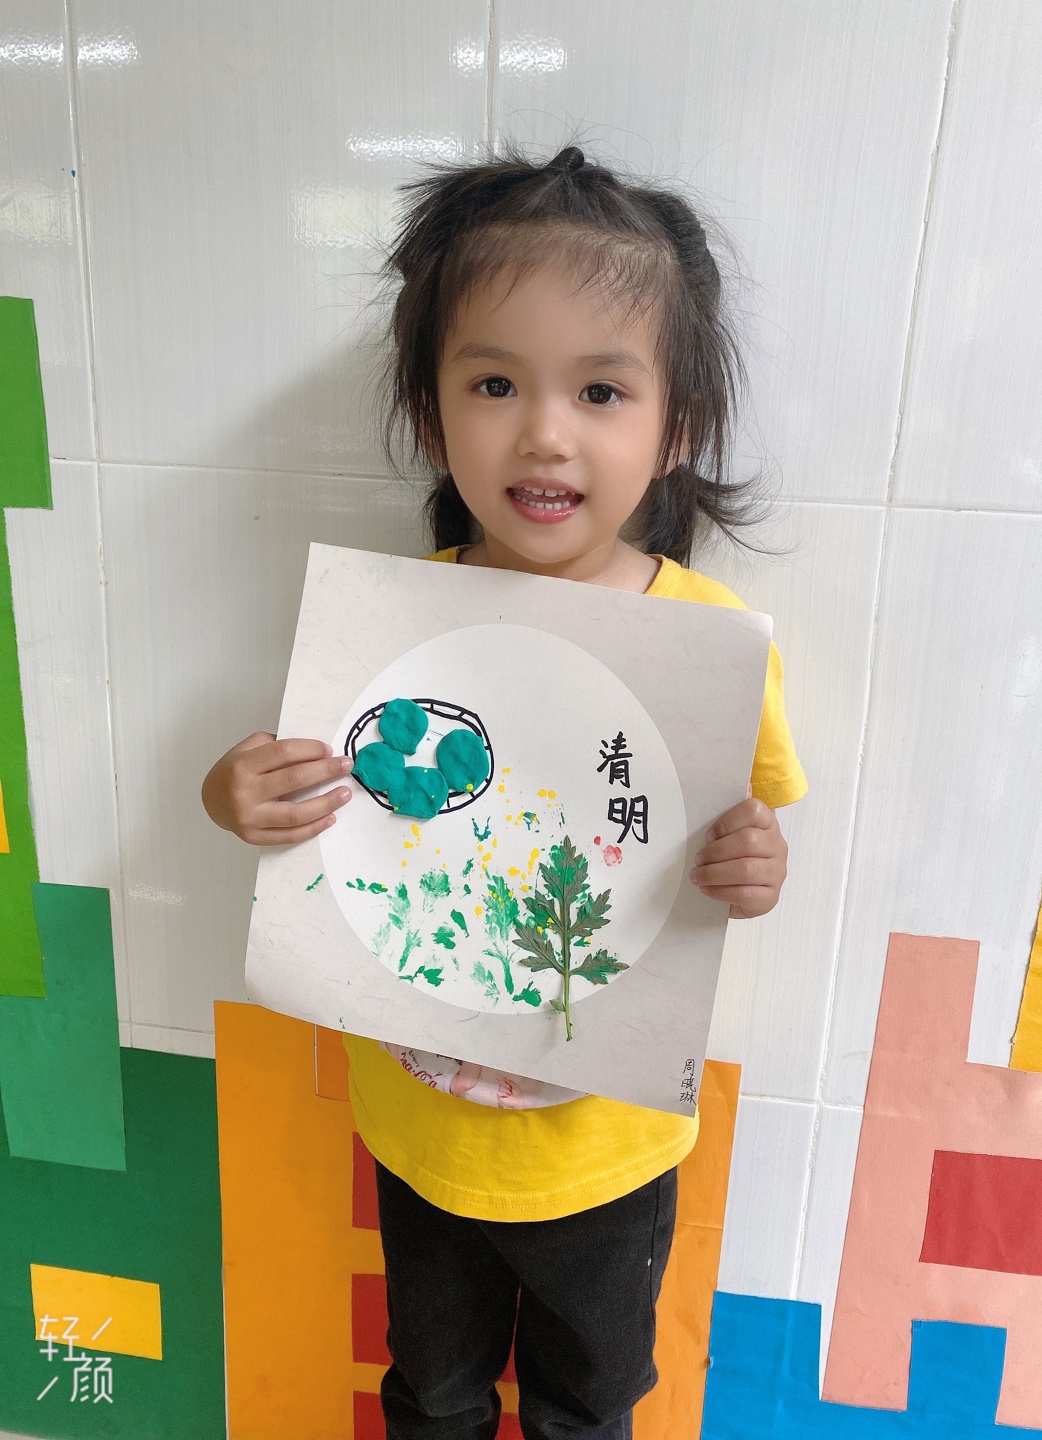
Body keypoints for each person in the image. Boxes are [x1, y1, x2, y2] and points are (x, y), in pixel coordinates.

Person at [202, 146, 807, 1440]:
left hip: (607, 1146)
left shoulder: (708, 644)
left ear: (676, 427)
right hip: (422, 1132)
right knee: (433, 1393)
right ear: (432, 416)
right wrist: (236, 794)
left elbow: (748, 839)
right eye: (494, 383)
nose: (545, 432)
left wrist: (756, 869)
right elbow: (308, 806)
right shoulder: (389, 627)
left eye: (601, 390)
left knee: (588, 1405)